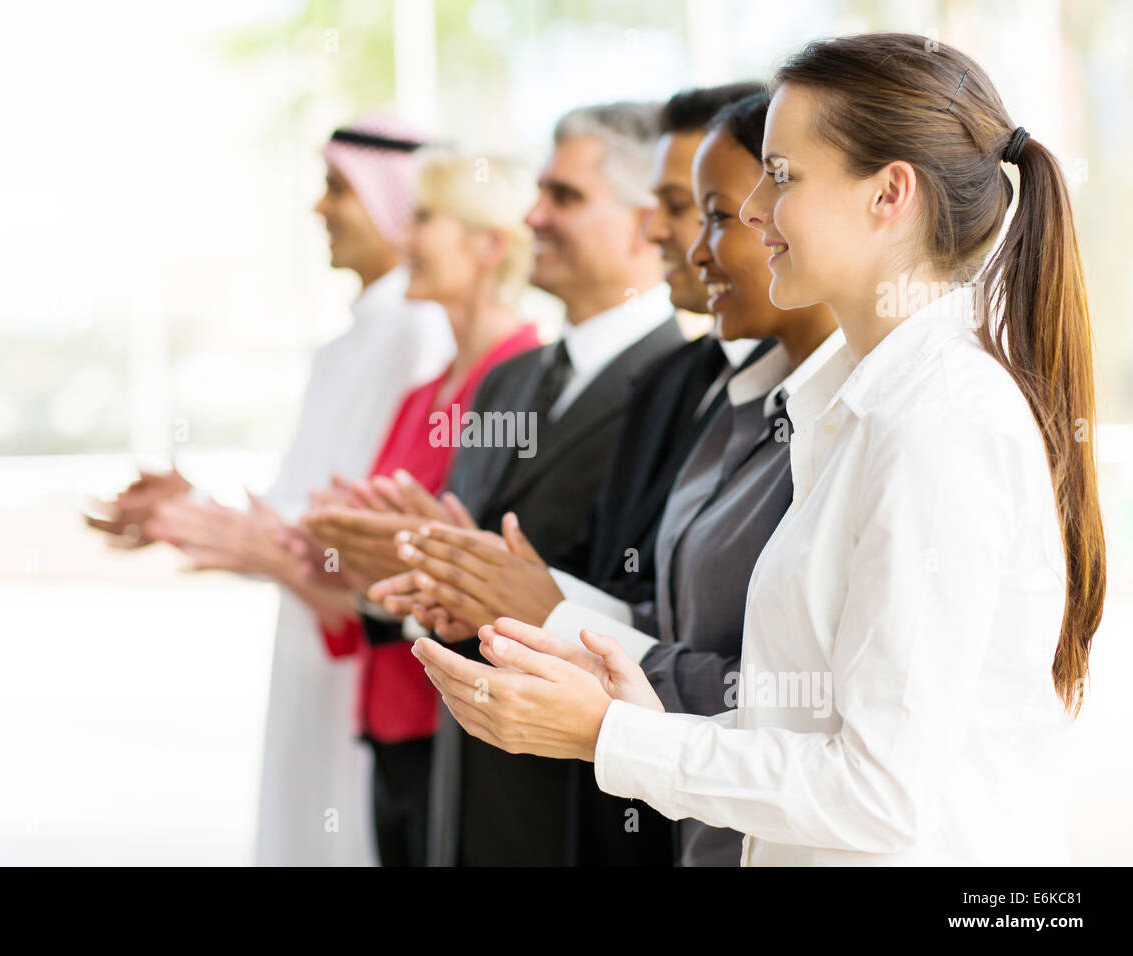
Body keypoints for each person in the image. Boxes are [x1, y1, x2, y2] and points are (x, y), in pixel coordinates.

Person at [415, 32, 1106, 865]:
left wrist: (613, 737)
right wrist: (624, 703)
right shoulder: (869, 405)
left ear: (890, 194)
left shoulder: (936, 422)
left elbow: (879, 795)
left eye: (781, 177)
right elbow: (815, 724)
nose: (750, 212)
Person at [382, 90, 841, 865]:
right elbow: (644, 596)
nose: (686, 239)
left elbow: (809, 716)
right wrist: (460, 577)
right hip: (584, 794)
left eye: (711, 213)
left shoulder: (856, 416)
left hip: (663, 810)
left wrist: (553, 615)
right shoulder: (705, 389)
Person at [88, 116, 455, 866]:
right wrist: (192, 506)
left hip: (369, 643)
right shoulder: (353, 340)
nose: (320, 210)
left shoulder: (422, 333)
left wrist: (212, 520)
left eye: (337, 190)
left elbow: (366, 524)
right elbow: (309, 502)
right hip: (313, 633)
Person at [297, 149, 541, 866]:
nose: (404, 240)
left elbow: (506, 563)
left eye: (425, 219)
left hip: (457, 721)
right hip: (390, 715)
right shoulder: (424, 391)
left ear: (490, 244)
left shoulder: (525, 375)